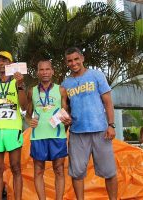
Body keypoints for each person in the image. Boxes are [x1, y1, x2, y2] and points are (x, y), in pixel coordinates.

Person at [61, 47, 118, 200]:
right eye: (70, 61)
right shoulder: (65, 84)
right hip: (77, 133)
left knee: (109, 171)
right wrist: (65, 118)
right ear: (67, 63)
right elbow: (64, 108)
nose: (73, 63)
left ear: (82, 58)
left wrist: (111, 125)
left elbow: (108, 102)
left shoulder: (96, 75)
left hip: (101, 131)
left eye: (76, 59)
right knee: (77, 172)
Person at [0, 51, 27, 200]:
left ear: (11, 64)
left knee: (15, 167)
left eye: (4, 60)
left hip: (12, 129)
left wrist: (20, 85)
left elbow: (24, 106)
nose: (1, 63)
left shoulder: (17, 81)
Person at [25, 59, 70, 200]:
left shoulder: (61, 90)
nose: (45, 72)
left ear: (52, 71)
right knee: (38, 171)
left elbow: (65, 112)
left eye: (47, 69)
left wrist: (68, 121)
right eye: (41, 70)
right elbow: (27, 115)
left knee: (59, 170)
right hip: (38, 136)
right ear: (37, 72)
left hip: (57, 135)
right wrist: (29, 121)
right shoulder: (31, 91)